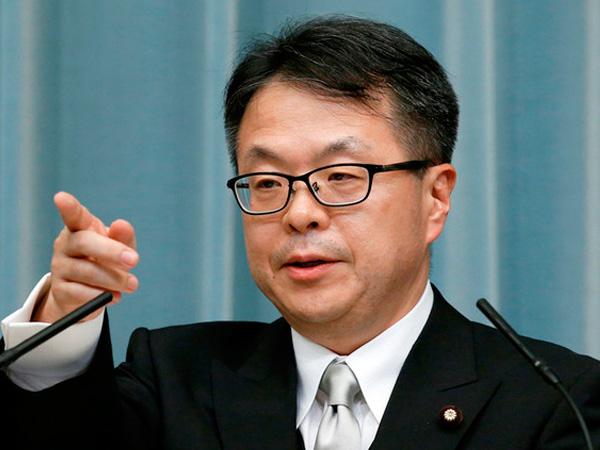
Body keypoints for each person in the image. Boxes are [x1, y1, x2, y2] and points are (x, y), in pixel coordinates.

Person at [1, 15, 600, 450]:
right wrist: (64, 323)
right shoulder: (175, 380)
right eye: (267, 182)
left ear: (435, 198)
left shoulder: (554, 402)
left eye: (341, 176)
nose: (300, 213)